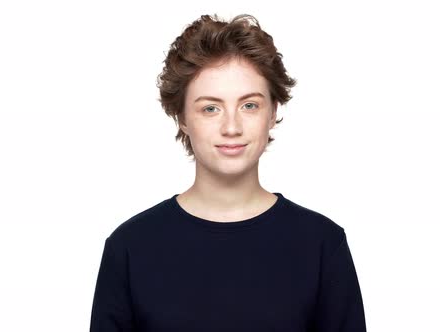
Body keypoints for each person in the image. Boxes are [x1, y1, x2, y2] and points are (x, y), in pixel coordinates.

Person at [90, 13, 366, 331]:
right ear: (181, 116)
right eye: (211, 108)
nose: (231, 127)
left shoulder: (322, 245)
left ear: (273, 111)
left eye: (249, 105)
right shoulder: (130, 248)